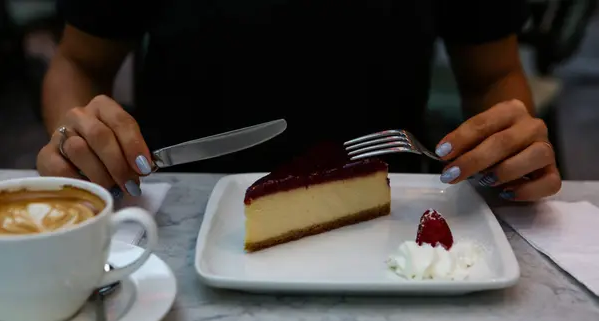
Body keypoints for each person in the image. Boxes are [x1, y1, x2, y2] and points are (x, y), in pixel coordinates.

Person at [36, 0, 561, 202]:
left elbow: (493, 73)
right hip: (173, 215)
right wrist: (76, 136)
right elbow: (79, 64)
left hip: (389, 219)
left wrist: (504, 146)